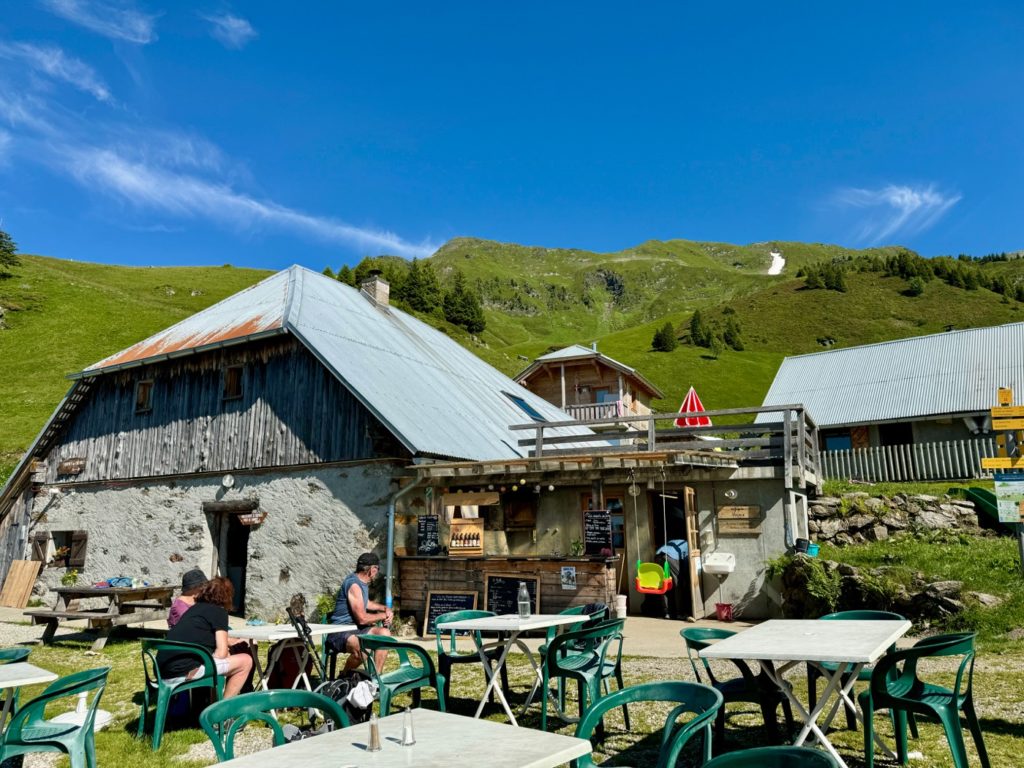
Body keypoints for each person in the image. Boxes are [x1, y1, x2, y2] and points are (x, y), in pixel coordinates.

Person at [157, 576, 253, 698]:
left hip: (162, 671)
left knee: (220, 662)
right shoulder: (218, 611)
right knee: (246, 661)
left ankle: (211, 703)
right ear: (227, 596)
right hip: (183, 672)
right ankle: (223, 712)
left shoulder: (193, 610)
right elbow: (221, 653)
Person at [328, 552, 392, 672]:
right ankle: (344, 676)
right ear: (372, 569)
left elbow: (366, 603)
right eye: (377, 569)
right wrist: (383, 616)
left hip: (356, 629)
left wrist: (385, 609)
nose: (377, 572)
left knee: (385, 634)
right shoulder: (354, 585)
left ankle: (375, 679)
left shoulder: (362, 582)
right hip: (339, 631)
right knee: (364, 648)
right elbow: (362, 618)